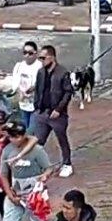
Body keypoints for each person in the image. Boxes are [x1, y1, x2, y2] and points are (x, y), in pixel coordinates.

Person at [0, 121, 54, 221]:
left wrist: (44, 176)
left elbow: (49, 168)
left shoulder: (37, 151)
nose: (13, 140)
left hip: (34, 191)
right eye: (11, 136)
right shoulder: (7, 150)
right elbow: (3, 174)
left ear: (23, 136)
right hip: (16, 190)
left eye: (16, 136)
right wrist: (9, 193)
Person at [29, 45, 75, 177]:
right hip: (43, 112)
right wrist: (37, 106)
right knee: (39, 140)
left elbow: (68, 92)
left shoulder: (62, 72)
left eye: (43, 58)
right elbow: (38, 89)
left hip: (57, 114)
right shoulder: (41, 72)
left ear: (52, 57)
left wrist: (59, 109)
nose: (41, 61)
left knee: (61, 139)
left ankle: (67, 164)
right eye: (40, 58)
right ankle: (39, 164)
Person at [5, 42, 43, 130]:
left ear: (36, 53)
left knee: (32, 130)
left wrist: (30, 91)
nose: (27, 56)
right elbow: (15, 82)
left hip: (36, 104)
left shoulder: (40, 67)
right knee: (23, 128)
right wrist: (20, 91)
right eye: (25, 52)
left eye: (30, 53)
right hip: (23, 103)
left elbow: (41, 83)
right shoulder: (19, 66)